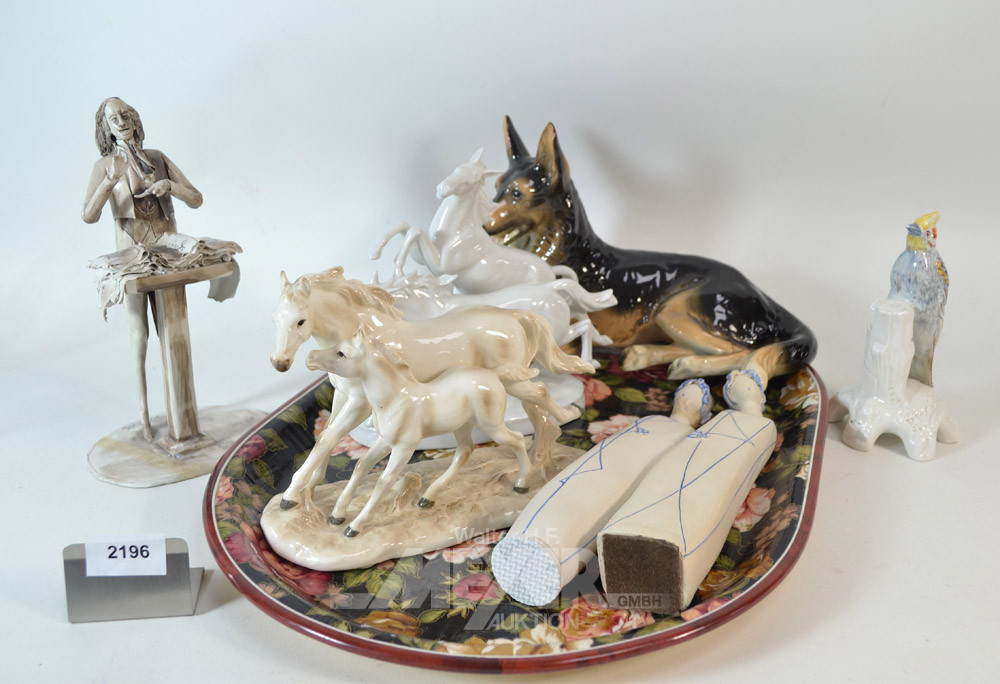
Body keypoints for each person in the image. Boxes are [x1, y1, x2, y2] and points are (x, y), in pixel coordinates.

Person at [81, 97, 204, 439]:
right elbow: (88, 215)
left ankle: (183, 416)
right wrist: (109, 182)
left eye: (125, 115)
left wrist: (171, 186)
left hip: (169, 254)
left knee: (174, 333)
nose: (121, 121)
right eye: (113, 118)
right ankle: (145, 415)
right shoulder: (105, 165)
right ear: (106, 127)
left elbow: (196, 198)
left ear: (134, 119)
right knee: (139, 336)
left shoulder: (157, 158)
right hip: (132, 258)